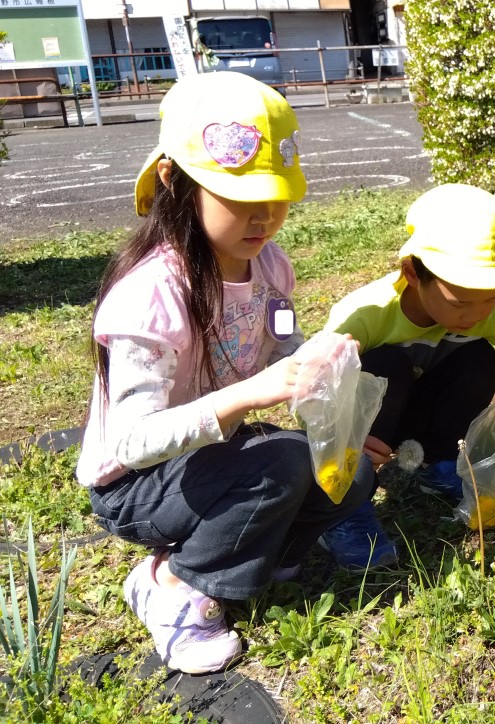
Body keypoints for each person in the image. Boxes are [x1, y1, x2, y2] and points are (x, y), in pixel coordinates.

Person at [76, 71, 373, 675]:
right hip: (134, 485)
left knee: (352, 470)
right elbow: (131, 444)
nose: (264, 216)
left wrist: (316, 371)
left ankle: (253, 552)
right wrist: (254, 392)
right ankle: (171, 584)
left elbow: (275, 349)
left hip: (218, 452)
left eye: (277, 196)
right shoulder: (152, 296)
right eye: (241, 198)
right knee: (281, 467)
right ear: (175, 181)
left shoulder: (267, 265)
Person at [318, 183, 495, 570]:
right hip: (367, 424)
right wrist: (344, 443)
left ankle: (440, 462)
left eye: (491, 298)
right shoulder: (366, 314)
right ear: (412, 273)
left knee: (477, 357)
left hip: (421, 413)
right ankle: (343, 504)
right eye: (461, 302)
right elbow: (313, 390)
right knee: (387, 365)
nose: (478, 313)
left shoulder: (486, 306)